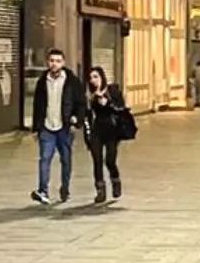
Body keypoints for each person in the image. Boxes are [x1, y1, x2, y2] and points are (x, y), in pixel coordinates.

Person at [30, 49, 84, 205]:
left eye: (58, 61)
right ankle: (43, 191)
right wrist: (36, 128)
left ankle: (65, 188)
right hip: (47, 126)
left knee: (66, 160)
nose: (54, 64)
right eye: (52, 60)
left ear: (63, 63)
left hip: (64, 127)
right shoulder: (42, 81)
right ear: (48, 62)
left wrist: (76, 120)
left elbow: (81, 103)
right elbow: (37, 105)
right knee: (44, 159)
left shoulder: (72, 81)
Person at [84, 65, 131, 204]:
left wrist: (108, 103)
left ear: (102, 77)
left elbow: (121, 108)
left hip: (111, 131)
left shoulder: (112, 91)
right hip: (96, 131)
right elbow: (87, 115)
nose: (93, 80)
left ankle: (115, 181)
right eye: (91, 78)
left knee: (110, 160)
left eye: (96, 77)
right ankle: (100, 190)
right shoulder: (89, 95)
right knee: (97, 161)